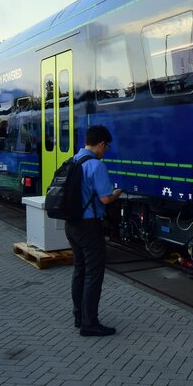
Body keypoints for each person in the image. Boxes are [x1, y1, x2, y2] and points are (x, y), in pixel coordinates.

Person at [65, 125, 122, 337]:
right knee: (93, 274)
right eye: (106, 146)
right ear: (100, 144)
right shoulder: (96, 166)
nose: (105, 150)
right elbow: (105, 198)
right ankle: (90, 323)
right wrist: (116, 193)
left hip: (71, 225)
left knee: (79, 270)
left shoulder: (72, 160)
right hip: (89, 226)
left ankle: (79, 315)